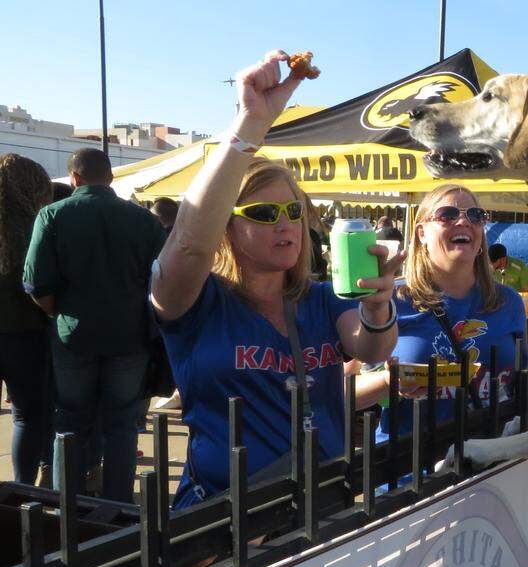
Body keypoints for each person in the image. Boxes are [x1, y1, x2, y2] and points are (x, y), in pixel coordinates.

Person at [150, 51, 402, 508]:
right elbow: (188, 243)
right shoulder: (196, 302)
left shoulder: (323, 299)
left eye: (293, 212)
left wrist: (377, 307)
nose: (286, 225)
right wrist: (249, 128)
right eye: (265, 214)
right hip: (224, 522)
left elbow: (371, 348)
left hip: (320, 511)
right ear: (226, 226)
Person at [355, 185, 528, 450]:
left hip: (486, 460)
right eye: (447, 214)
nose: (463, 221)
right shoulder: (391, 300)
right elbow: (344, 392)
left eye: (475, 215)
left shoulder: (508, 302)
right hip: (409, 469)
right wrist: (388, 382)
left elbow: (517, 380)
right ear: (421, 232)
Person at [23, 148, 164, 503]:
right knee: (122, 424)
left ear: (74, 179)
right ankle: (118, 506)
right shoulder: (144, 220)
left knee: (69, 424)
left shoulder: (52, 215)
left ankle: (64, 506)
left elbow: (36, 283)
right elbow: (162, 280)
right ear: (111, 179)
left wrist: (59, 312)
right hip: (129, 336)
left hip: (74, 335)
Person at [0, 154, 54, 486]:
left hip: (22, 332)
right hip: (26, 333)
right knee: (28, 416)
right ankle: (21, 490)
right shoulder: (38, 226)